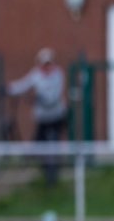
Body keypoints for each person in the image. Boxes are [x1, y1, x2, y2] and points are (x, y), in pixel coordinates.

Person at [7, 48, 69, 185]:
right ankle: (43, 166)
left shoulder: (58, 74)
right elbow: (23, 84)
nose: (47, 67)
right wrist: (9, 89)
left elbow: (55, 95)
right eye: (44, 64)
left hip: (56, 115)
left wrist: (44, 98)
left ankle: (56, 166)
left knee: (56, 140)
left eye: (49, 63)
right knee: (39, 142)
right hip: (43, 117)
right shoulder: (36, 75)